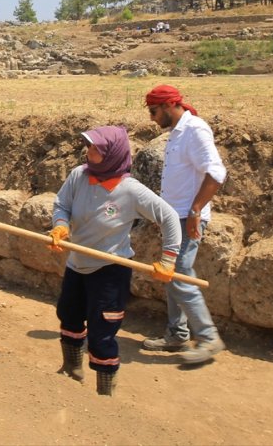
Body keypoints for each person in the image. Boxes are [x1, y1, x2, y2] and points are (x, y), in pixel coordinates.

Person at [49, 126, 181, 396]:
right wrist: (60, 225)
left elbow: (169, 217)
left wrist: (168, 259)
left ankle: (104, 393)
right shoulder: (78, 176)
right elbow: (61, 204)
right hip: (77, 264)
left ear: (111, 154)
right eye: (89, 146)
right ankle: (72, 370)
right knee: (69, 316)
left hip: (109, 271)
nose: (88, 152)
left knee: (102, 331)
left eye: (95, 148)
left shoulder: (130, 190)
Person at [142, 84, 227, 364]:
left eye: (154, 111)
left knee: (178, 273)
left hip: (188, 217)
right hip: (173, 216)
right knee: (170, 273)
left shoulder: (195, 130)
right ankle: (177, 334)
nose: (152, 118)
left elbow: (216, 172)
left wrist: (195, 210)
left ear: (168, 106)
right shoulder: (177, 132)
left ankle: (208, 337)